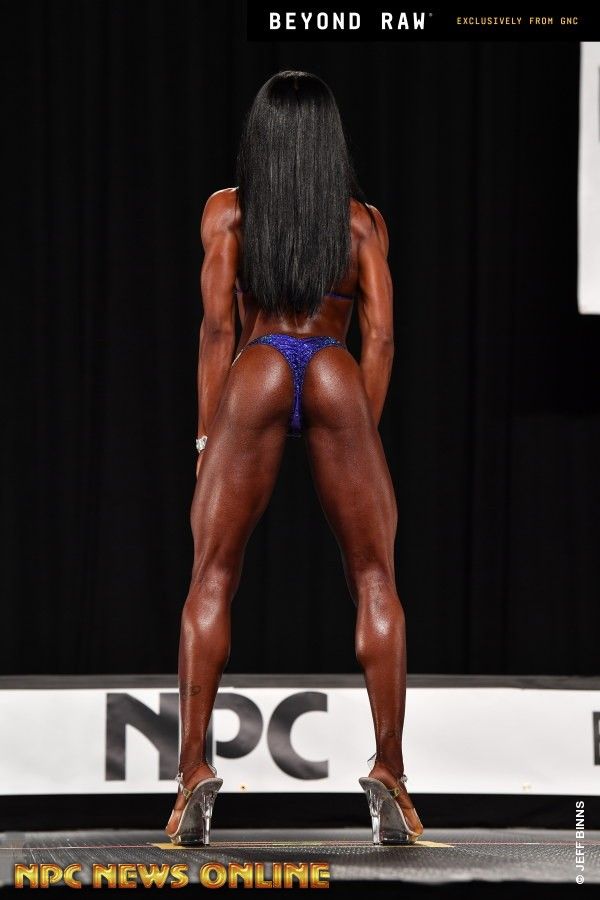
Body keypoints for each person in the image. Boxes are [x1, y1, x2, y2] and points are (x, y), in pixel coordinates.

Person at [164, 70, 424, 847]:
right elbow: (380, 337)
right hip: (335, 368)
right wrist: (359, 430)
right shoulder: (363, 224)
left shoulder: (227, 212)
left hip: (259, 368)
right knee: (375, 577)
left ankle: (191, 774)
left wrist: (207, 437)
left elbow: (218, 330)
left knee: (211, 575)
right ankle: (390, 770)